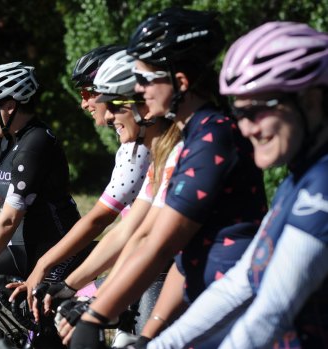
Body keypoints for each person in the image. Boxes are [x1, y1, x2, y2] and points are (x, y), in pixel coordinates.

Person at [67, 8, 268, 348]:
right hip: (203, 292)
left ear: (181, 82)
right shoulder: (189, 139)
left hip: (231, 304)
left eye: (145, 79)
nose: (138, 89)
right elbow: (152, 237)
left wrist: (96, 314)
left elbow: (159, 243)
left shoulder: (212, 138)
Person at [144, 21, 328, 349]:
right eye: (238, 112)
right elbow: (243, 280)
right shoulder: (299, 178)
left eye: (257, 110)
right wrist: (160, 344)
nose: (245, 129)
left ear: (311, 100)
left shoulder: (322, 186)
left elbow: (273, 311)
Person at [49, 49, 183, 344]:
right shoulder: (155, 153)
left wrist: (88, 297)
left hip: (166, 272)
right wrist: (71, 287)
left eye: (112, 104)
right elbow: (128, 232)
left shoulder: (163, 152)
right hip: (146, 265)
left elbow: (110, 223)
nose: (104, 116)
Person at [10, 45, 151, 310]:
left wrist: (45, 265)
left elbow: (99, 219)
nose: (84, 103)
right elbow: (126, 230)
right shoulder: (132, 146)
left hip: (156, 269)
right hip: (138, 260)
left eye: (89, 93)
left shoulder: (140, 150)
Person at [0, 61, 80, 282]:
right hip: (20, 245)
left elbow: (10, 218)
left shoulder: (35, 144)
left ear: (9, 106)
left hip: (50, 247)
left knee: (41, 313)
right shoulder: (10, 140)